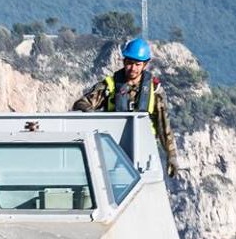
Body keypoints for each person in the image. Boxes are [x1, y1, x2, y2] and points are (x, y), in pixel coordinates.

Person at [72, 37, 177, 177]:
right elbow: (81, 103)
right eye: (129, 63)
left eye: (137, 64)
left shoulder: (154, 90)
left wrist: (171, 155)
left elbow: (164, 125)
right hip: (114, 150)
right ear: (124, 61)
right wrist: (94, 116)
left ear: (145, 65)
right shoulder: (110, 86)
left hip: (144, 150)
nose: (132, 68)